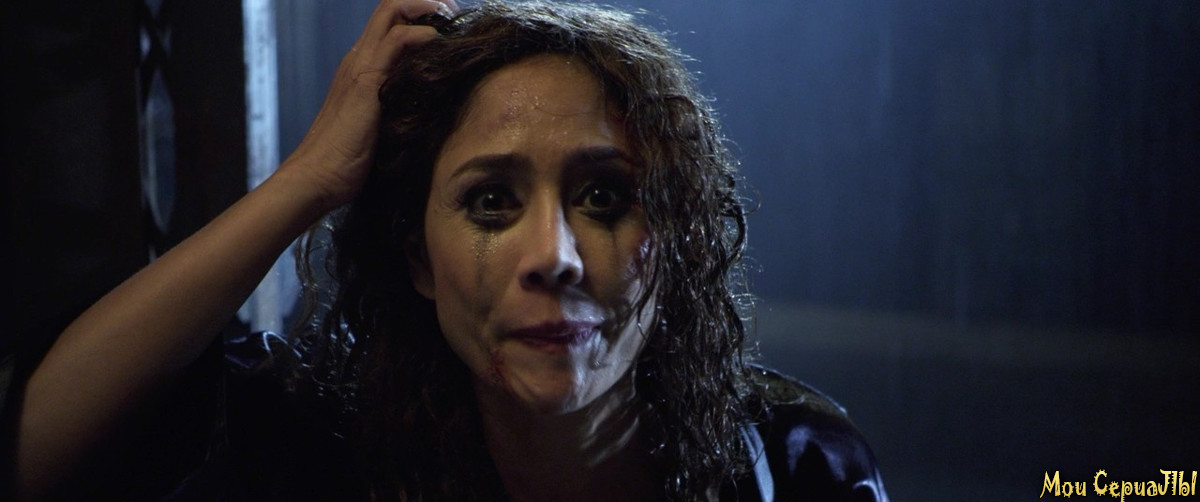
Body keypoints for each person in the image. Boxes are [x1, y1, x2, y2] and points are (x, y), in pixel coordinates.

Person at [12, 1, 887, 500]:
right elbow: (33, 455)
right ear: (419, 261)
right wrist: (309, 179)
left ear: (675, 239)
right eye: (491, 202)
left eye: (603, 198)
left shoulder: (798, 467)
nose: (553, 255)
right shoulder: (320, 448)